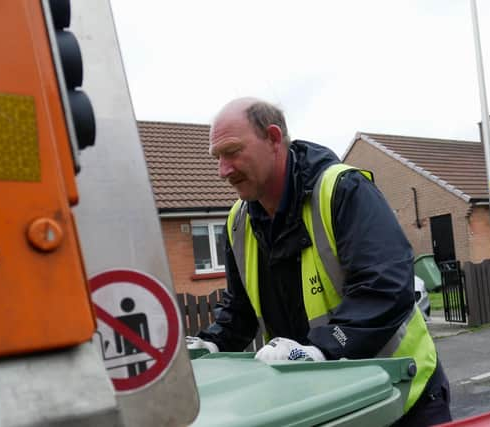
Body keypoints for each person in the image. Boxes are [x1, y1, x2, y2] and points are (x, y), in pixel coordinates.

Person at [187, 97, 451, 426]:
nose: (222, 170)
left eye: (231, 152)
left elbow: (385, 285)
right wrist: (210, 343)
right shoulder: (238, 223)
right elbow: (239, 312)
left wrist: (321, 349)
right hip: (328, 404)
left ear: (272, 138)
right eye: (217, 158)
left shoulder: (343, 189)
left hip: (399, 395)